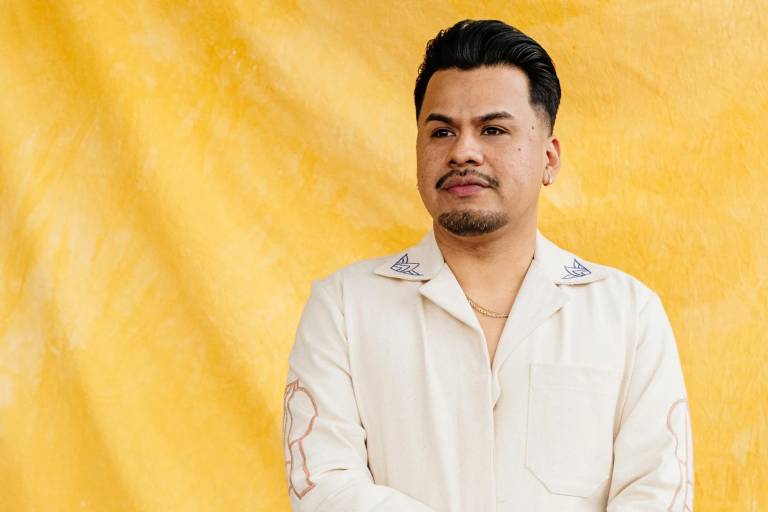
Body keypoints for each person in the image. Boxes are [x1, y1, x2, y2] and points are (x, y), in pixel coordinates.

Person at [281, 19, 693, 512]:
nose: (463, 152)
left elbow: (656, 495)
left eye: (493, 129)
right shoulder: (345, 308)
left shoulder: (628, 316)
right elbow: (325, 489)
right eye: (441, 131)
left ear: (549, 157)